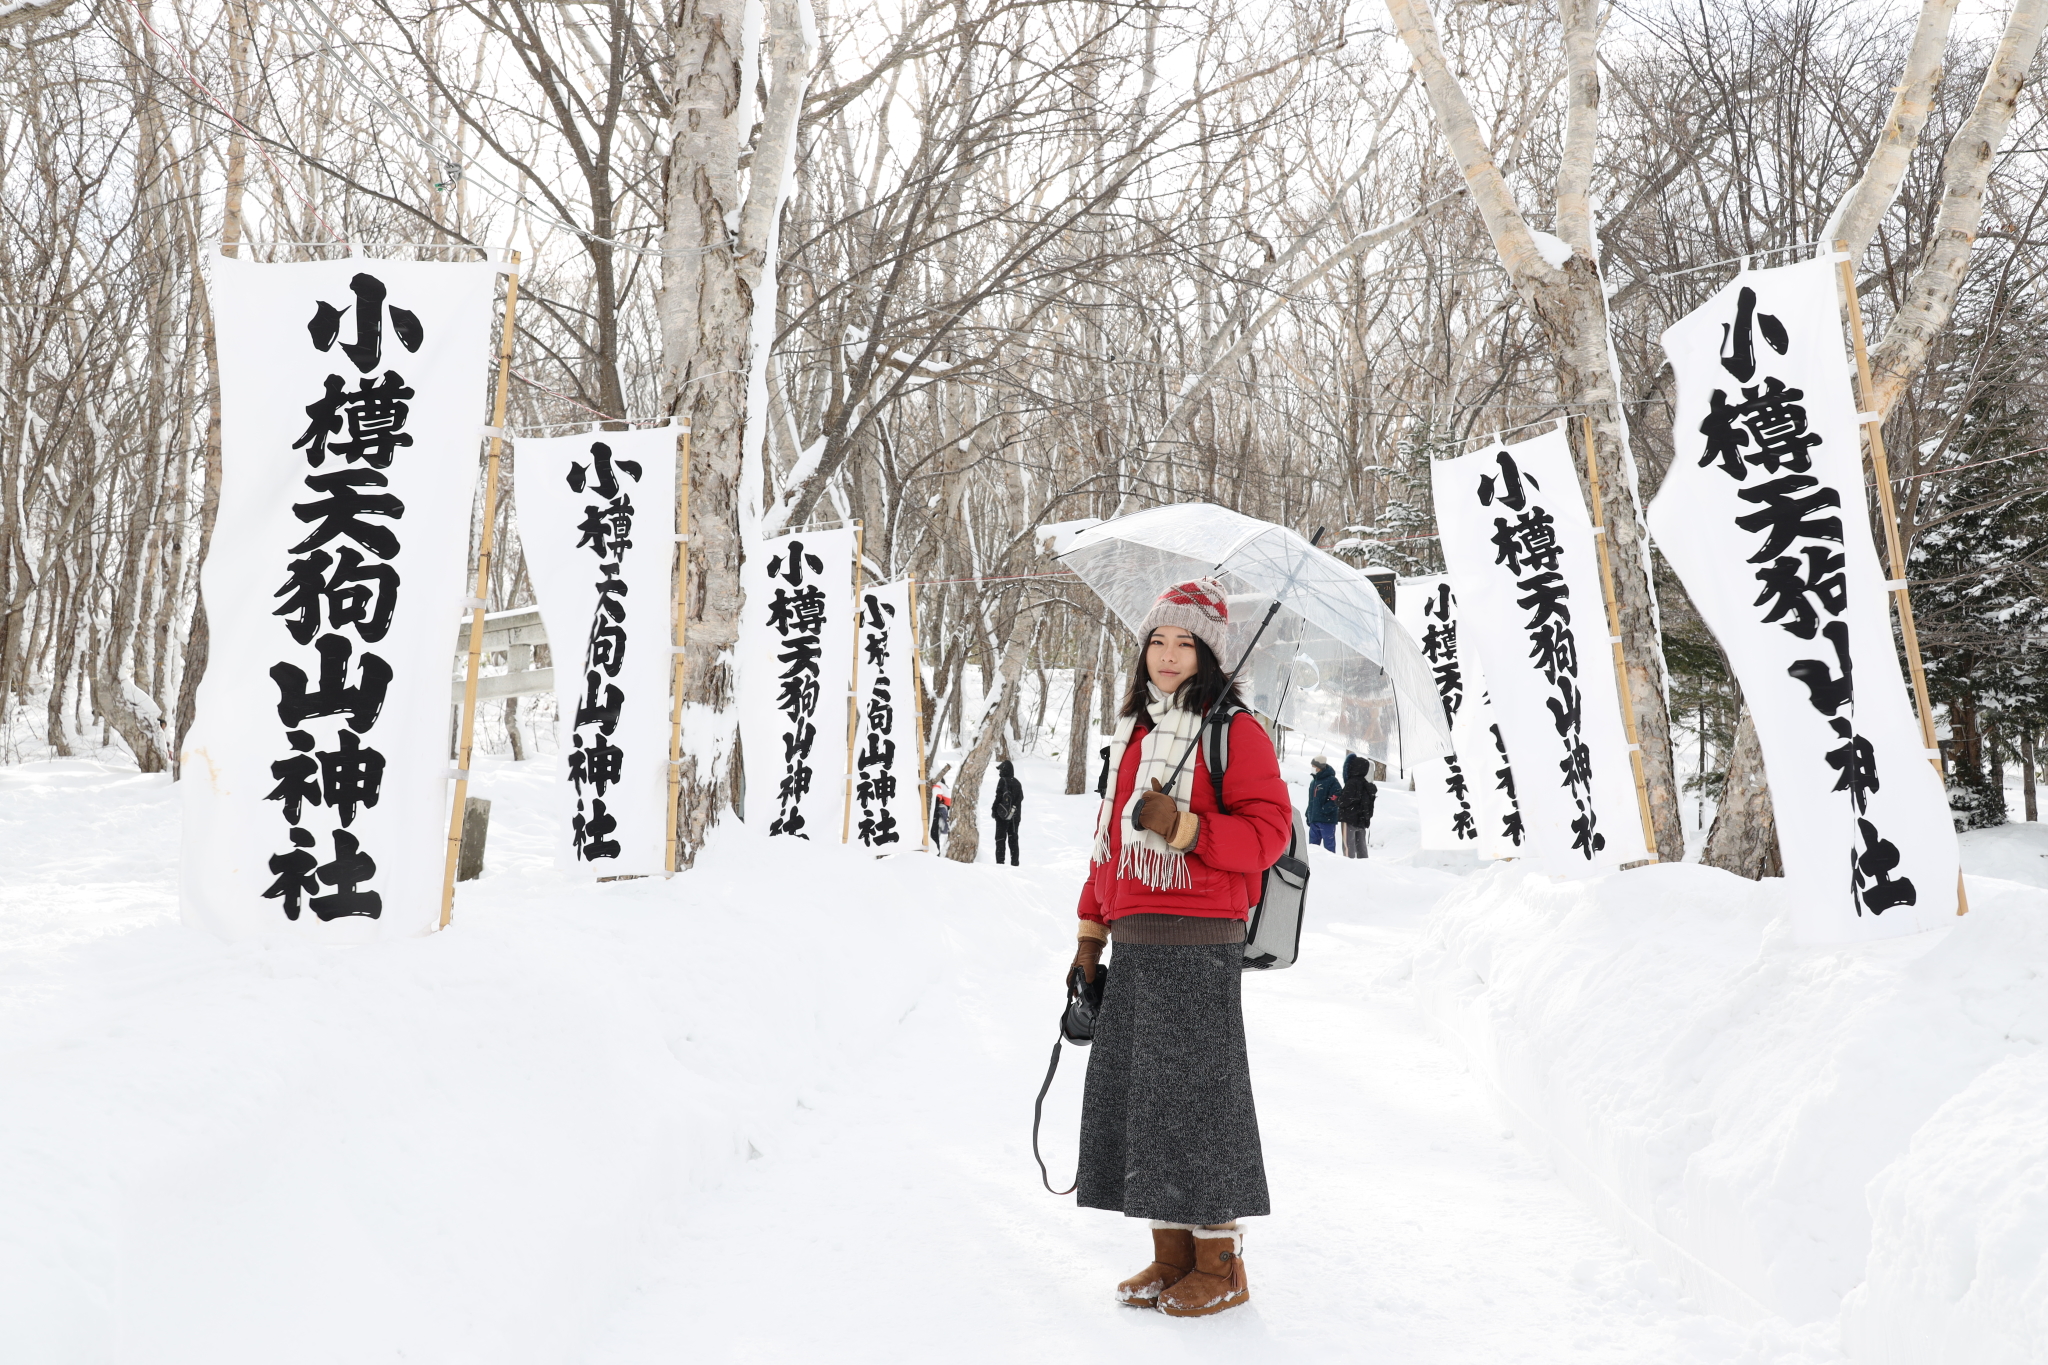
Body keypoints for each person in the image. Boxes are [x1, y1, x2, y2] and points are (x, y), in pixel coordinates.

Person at [1070, 575, 1292, 1318]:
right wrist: (1087, 944)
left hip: (1200, 939)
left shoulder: (1237, 732)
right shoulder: (1136, 733)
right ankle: (1173, 1255)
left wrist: (1186, 828)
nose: (1167, 655)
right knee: (1141, 1099)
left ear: (1209, 653)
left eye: (1184, 642)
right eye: (1157, 640)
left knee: (1198, 1101)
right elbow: (1106, 849)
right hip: (1133, 937)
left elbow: (1269, 836)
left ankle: (1221, 1261)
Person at [1338, 753, 1376, 858]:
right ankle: (1364, 866)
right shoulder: (1366, 785)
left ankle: (1348, 867)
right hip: (1362, 820)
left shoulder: (1351, 783)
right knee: (1361, 847)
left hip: (1349, 819)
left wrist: (1337, 799)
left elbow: (1344, 801)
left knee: (1348, 847)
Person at [1304, 757, 1341, 853]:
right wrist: (1309, 814)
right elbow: (1311, 800)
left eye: (1314, 766)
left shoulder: (1332, 781)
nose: (1312, 768)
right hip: (1314, 820)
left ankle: (1331, 866)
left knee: (1329, 848)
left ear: (1320, 767)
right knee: (1312, 848)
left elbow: (1337, 796)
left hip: (1327, 821)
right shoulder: (1313, 782)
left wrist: (1325, 809)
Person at [991, 759, 1024, 865]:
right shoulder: (1018, 783)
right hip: (1015, 816)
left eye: (1001, 770)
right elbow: (1021, 798)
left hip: (1002, 816)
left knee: (1000, 839)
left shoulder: (1002, 781)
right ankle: (1015, 863)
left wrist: (994, 810)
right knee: (1013, 839)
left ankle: (1000, 862)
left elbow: (998, 797)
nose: (999, 772)